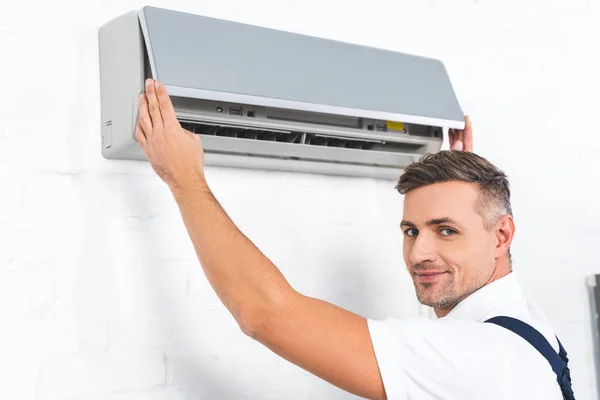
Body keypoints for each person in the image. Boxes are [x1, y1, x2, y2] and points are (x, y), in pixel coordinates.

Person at [134, 78, 575, 399]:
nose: (419, 252)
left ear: (501, 235)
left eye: (446, 230)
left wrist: (184, 180)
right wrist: (461, 192)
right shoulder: (522, 329)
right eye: (411, 230)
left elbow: (264, 314)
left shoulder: (480, 356)